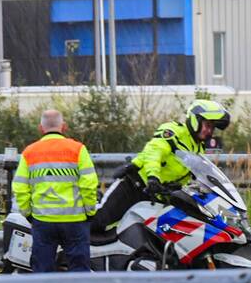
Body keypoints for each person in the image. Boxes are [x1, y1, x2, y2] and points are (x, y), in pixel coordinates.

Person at [91, 99, 231, 232]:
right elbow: (154, 152)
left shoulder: (198, 149)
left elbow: (194, 175)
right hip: (135, 185)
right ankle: (74, 246)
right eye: (208, 125)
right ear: (196, 120)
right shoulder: (173, 131)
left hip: (157, 197)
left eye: (212, 128)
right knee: (100, 220)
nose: (210, 131)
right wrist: (153, 178)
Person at [11, 110, 98, 272]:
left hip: (43, 220)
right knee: (79, 270)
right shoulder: (78, 149)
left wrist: (28, 213)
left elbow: (20, 187)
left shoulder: (29, 152)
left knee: (42, 271)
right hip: (75, 220)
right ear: (64, 127)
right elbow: (89, 184)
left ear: (40, 128)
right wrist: (90, 211)